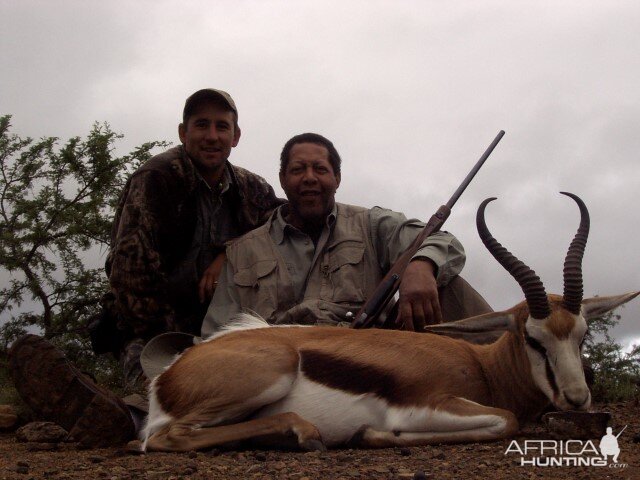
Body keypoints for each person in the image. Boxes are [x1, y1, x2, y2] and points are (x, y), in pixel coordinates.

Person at [9, 88, 283, 447]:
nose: (212, 136)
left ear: (236, 136)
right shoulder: (155, 179)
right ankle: (110, 414)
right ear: (183, 133)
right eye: (201, 125)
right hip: (154, 327)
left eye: (221, 126)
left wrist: (227, 253)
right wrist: (179, 349)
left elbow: (280, 223)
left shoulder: (253, 189)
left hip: (225, 329)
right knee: (162, 390)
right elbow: (130, 276)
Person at [202, 132, 492, 337]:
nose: (310, 177)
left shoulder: (371, 224)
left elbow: (443, 242)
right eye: (298, 169)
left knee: (445, 283)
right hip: (280, 368)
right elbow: (216, 334)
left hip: (370, 358)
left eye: (320, 169)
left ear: (337, 179)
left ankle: (512, 367)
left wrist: (421, 265)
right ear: (283, 179)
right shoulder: (242, 252)